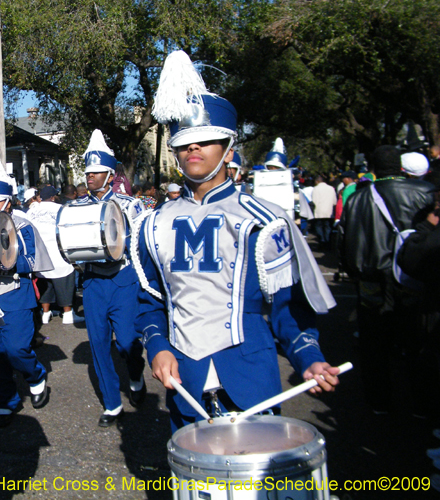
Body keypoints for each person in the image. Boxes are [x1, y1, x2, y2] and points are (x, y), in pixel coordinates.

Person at [133, 50, 340, 432]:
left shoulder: (265, 219)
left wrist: (307, 356)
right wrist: (158, 346)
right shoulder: (152, 223)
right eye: (184, 142)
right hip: (184, 377)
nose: (194, 149)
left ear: (228, 148)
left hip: (250, 375)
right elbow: (150, 303)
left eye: (207, 139)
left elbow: (286, 307)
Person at [341, 145, 436, 415]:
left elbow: (345, 242)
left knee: (374, 345)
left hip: (372, 280)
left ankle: (379, 400)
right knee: (417, 341)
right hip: (414, 280)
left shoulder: (357, 199)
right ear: (400, 167)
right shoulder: (426, 193)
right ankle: (424, 403)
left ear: (373, 167)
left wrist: (352, 272)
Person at [69, 129, 147, 427]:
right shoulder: (77, 207)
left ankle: (136, 373)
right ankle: (112, 403)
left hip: (123, 279)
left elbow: (140, 245)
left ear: (110, 174)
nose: (90, 176)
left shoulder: (129, 205)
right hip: (93, 282)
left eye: (96, 172)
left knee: (127, 341)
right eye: (88, 172)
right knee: (99, 344)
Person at [0, 160, 53, 427]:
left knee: (16, 348)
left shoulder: (22, 225)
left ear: (8, 202)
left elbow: (33, 262)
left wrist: (7, 260)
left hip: (15, 292)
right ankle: (7, 400)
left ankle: (35, 376)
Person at [27, 185, 83, 325]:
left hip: (41, 256)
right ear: (53, 197)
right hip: (59, 254)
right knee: (65, 284)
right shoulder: (61, 209)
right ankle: (68, 314)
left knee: (45, 284)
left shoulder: (31, 211)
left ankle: (45, 313)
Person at [311, 175, 337, 250]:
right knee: (327, 226)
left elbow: (314, 201)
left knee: (319, 226)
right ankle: (327, 241)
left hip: (319, 211)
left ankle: (322, 240)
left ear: (317, 181)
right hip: (329, 211)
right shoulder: (331, 188)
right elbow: (334, 201)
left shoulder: (316, 189)